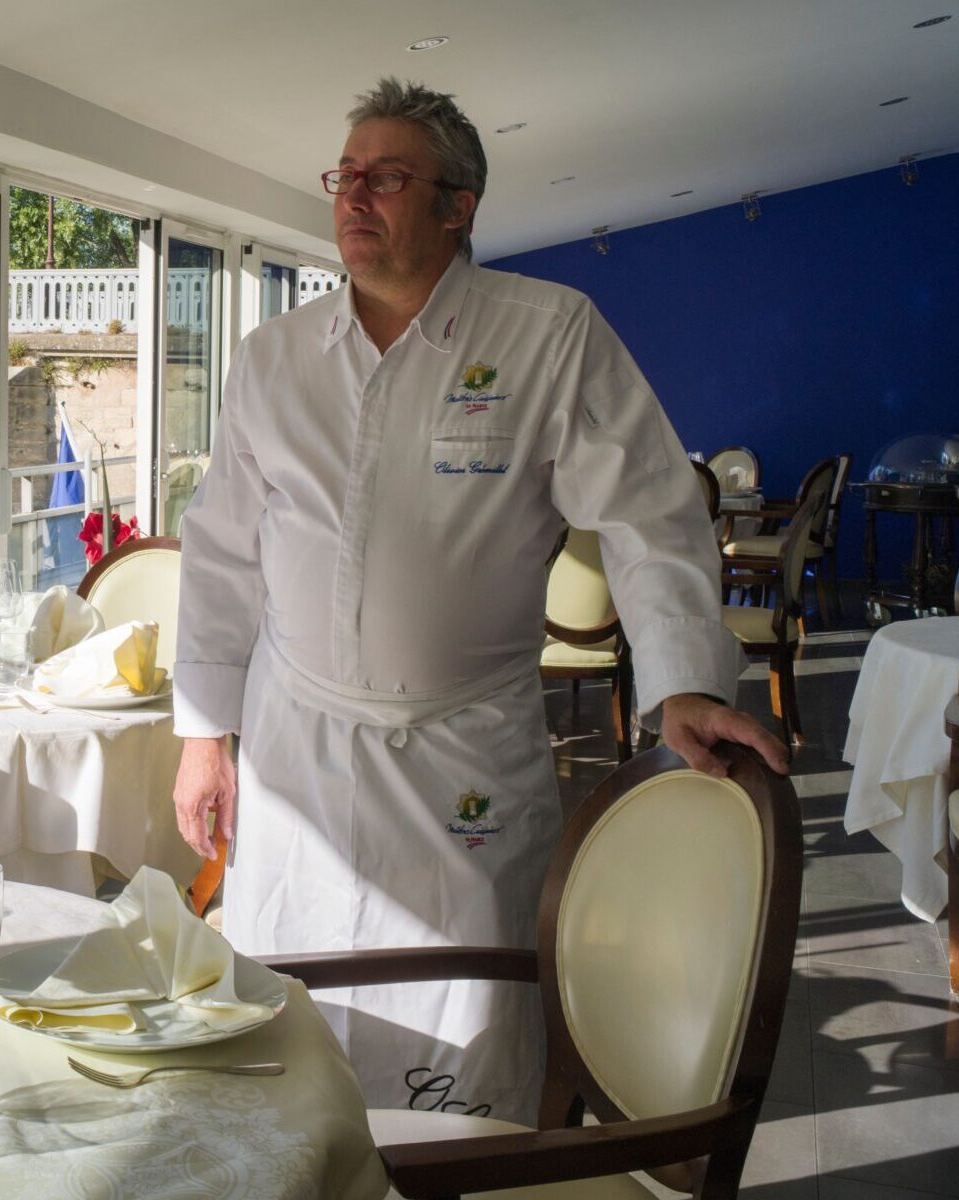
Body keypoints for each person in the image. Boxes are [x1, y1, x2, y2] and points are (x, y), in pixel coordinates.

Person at [171, 77, 788, 1120]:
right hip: (295, 750)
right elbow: (224, 549)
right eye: (345, 174)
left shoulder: (549, 334)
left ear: (457, 206)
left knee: (471, 1004)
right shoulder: (272, 358)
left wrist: (679, 685)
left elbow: (648, 516)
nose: (354, 194)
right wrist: (202, 734)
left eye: (388, 176)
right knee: (290, 996)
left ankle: (474, 1170)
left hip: (463, 747)